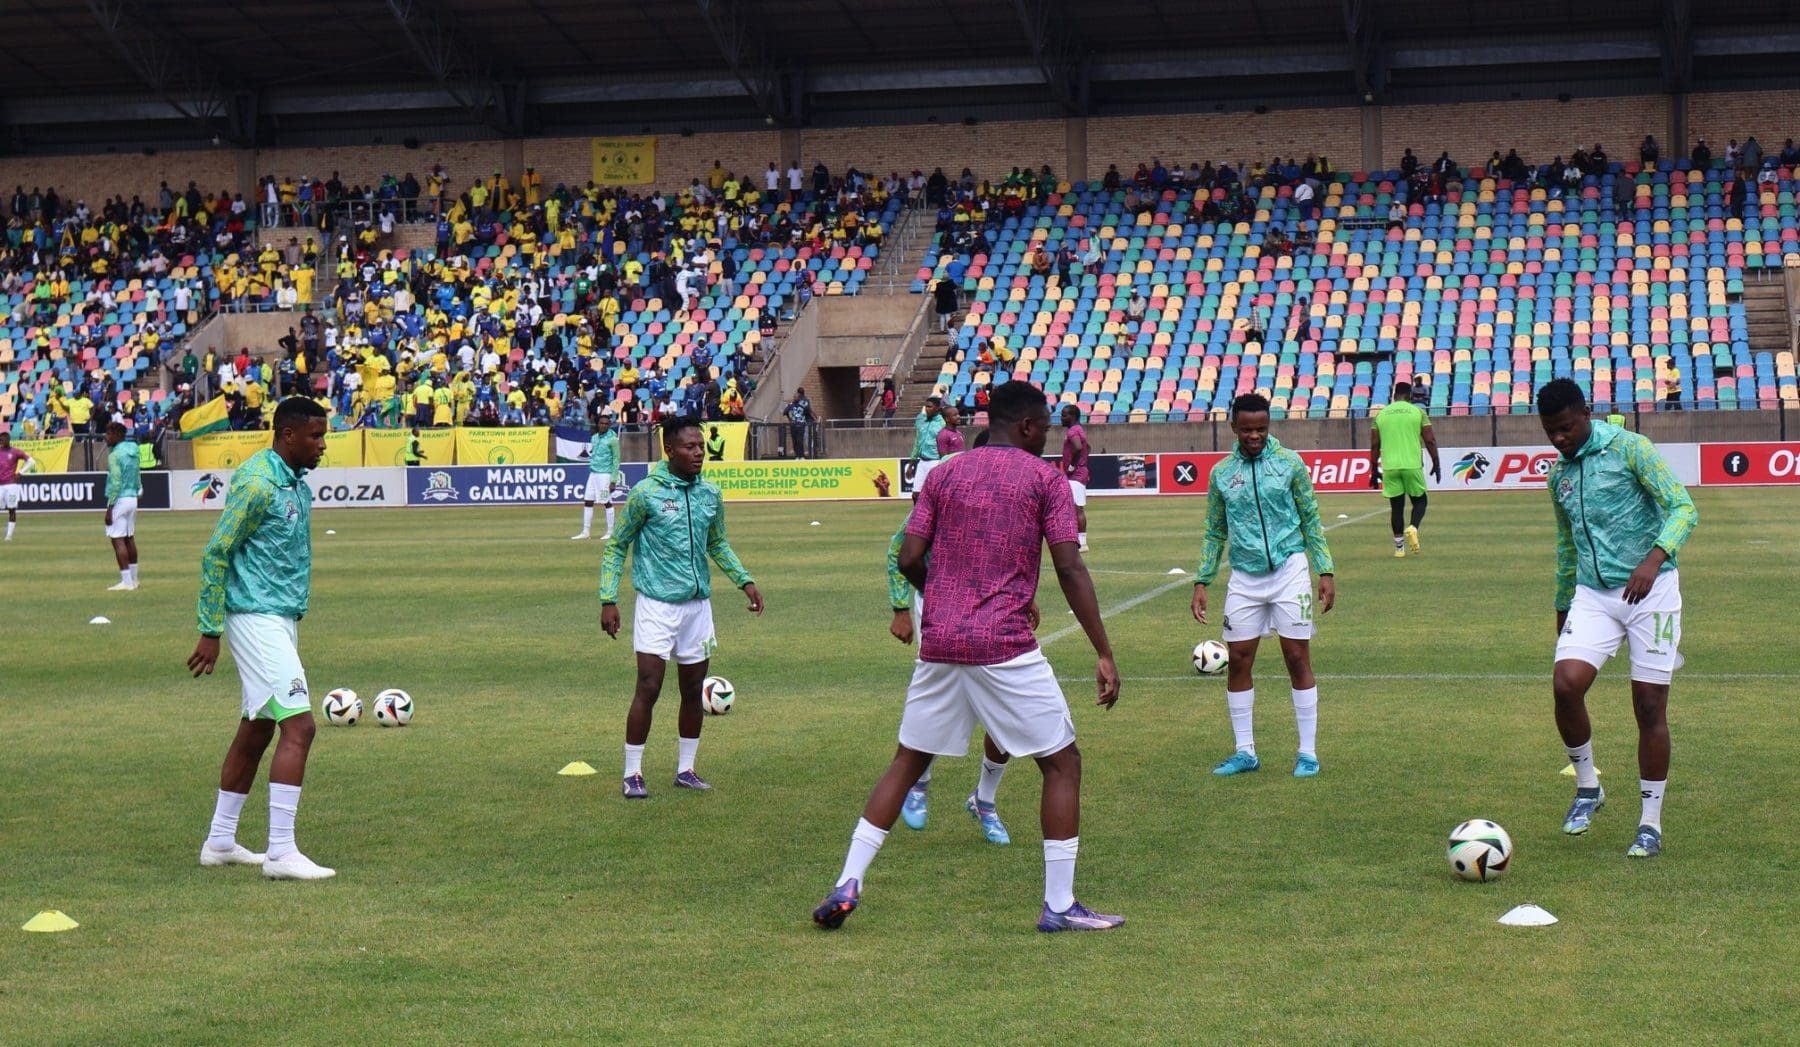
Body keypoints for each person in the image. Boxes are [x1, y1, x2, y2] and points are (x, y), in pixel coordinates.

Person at [813, 381, 1122, 933]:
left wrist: (945, 598)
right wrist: (1103, 650)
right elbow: (1069, 566)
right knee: (1062, 763)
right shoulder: (1045, 479)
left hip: (941, 642)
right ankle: (1059, 905)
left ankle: (848, 880)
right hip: (1002, 643)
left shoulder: (944, 474)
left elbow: (909, 557)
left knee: (907, 761)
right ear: (1026, 426)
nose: (1046, 438)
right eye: (1043, 428)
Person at [1537, 379, 1697, 860]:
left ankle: (1650, 822)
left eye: (1566, 428)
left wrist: (1653, 559)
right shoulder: (1559, 476)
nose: (1559, 438)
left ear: (1586, 413)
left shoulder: (1631, 449)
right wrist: (1563, 605)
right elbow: (1566, 546)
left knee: (1648, 706)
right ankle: (1588, 787)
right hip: (1593, 594)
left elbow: (1683, 508)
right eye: (1550, 431)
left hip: (1653, 590)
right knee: (1566, 684)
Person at [188, 396, 335, 880]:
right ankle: (281, 853)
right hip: (255, 617)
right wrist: (209, 629)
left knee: (258, 728)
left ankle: (220, 842)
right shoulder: (256, 482)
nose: (322, 445)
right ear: (288, 435)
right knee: (301, 727)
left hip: (278, 617)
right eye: (315, 436)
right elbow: (217, 552)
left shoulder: (293, 482)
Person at [599, 417, 764, 799]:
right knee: (648, 686)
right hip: (656, 606)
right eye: (690, 447)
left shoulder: (710, 493)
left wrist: (745, 580)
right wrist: (608, 598)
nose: (699, 453)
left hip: (697, 608)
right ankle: (632, 773)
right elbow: (617, 545)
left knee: (692, 690)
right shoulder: (645, 493)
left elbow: (717, 543)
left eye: (701, 447)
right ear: (669, 450)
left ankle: (686, 770)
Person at [1191, 393, 1336, 778]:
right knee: (1238, 659)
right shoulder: (1222, 473)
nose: (1254, 436)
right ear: (1233, 427)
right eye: (1246, 429)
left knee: (1297, 658)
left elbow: (1310, 517)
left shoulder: (1289, 463)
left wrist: (1325, 570)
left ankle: (1307, 753)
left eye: (1261, 429)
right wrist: (1203, 579)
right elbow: (1214, 530)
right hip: (1244, 576)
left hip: (1290, 570)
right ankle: (1245, 752)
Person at [1368, 381, 1441, 557]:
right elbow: (1430, 440)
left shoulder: (1380, 415)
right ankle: (1413, 527)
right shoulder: (1418, 412)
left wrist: (1374, 469)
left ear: (1394, 395)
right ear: (1410, 395)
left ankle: (1399, 549)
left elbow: (1375, 444)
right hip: (1412, 465)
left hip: (1390, 467)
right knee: (1420, 501)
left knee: (1396, 507)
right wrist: (1436, 462)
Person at [103, 421, 142, 591]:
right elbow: (137, 473)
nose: (106, 438)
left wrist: (110, 508)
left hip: (119, 499)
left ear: (116, 435)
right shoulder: (134, 449)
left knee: (117, 539)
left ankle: (126, 582)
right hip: (132, 497)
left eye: (108, 434)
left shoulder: (114, 455)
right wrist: (138, 489)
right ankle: (134, 579)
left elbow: (116, 482)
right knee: (129, 537)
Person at [573, 412, 620, 540]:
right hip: (593, 474)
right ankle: (585, 532)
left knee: (606, 501)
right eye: (601, 423)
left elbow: (616, 460)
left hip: (605, 475)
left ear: (609, 425)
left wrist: (613, 480)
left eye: (606, 424)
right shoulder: (594, 438)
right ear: (598, 424)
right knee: (588, 501)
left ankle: (610, 532)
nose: (604, 425)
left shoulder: (613, 440)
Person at [1059, 404, 1091, 552]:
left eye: (1064, 415)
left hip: (1075, 475)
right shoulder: (1079, 429)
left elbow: (1078, 448)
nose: (1061, 418)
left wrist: (1072, 466)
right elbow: (1087, 447)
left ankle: (1082, 543)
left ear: (1073, 416)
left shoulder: (1072, 431)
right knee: (1075, 507)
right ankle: (1078, 540)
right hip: (1079, 473)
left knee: (1076, 508)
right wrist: (1083, 463)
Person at [0, 432, 30, 541]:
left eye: (2, 440)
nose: (1, 442)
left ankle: (9, 536)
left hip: (11, 485)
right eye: (0, 440)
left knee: (11, 510)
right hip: (0, 486)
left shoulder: (15, 452)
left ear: (8, 440)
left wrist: (20, 472)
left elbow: (31, 461)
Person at [910, 397, 944, 492]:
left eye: (930, 407)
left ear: (937, 408)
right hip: (922, 461)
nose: (926, 409)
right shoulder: (921, 420)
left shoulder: (943, 423)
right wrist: (911, 463)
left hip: (936, 461)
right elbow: (917, 442)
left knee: (934, 492)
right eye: (926, 406)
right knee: (916, 493)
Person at [785, 388, 815, 459]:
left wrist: (814, 418)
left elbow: (809, 411)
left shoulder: (803, 404)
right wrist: (790, 419)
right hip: (794, 424)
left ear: (799, 397)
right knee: (795, 440)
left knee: (800, 440)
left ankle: (802, 455)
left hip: (801, 424)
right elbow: (785, 412)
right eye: (794, 397)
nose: (795, 398)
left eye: (796, 397)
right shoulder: (791, 405)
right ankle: (797, 455)